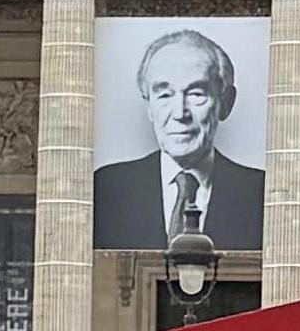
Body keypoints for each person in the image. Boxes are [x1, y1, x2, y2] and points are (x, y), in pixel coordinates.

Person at [91, 23, 269, 258]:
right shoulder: (106, 187)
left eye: (196, 94)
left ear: (226, 103)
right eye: (164, 95)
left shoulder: (261, 194)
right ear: (149, 107)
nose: (179, 113)